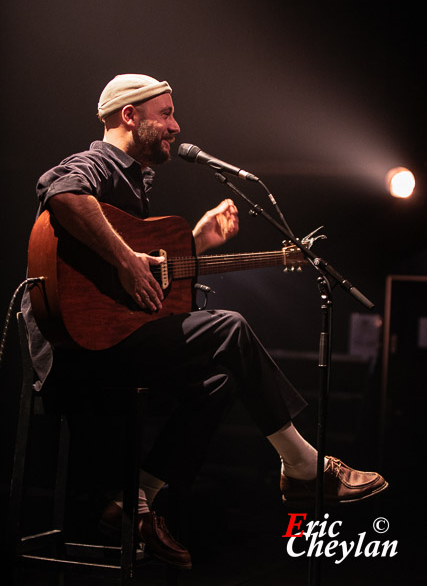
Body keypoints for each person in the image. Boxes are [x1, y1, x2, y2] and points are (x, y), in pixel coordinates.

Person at [21, 73, 388, 570]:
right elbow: (60, 191)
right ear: (129, 116)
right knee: (228, 326)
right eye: (165, 113)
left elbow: (125, 284)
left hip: (110, 345)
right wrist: (129, 261)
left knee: (216, 382)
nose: (176, 126)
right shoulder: (100, 164)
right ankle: (302, 465)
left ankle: (137, 499)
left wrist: (195, 243)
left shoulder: (133, 182)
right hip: (75, 357)